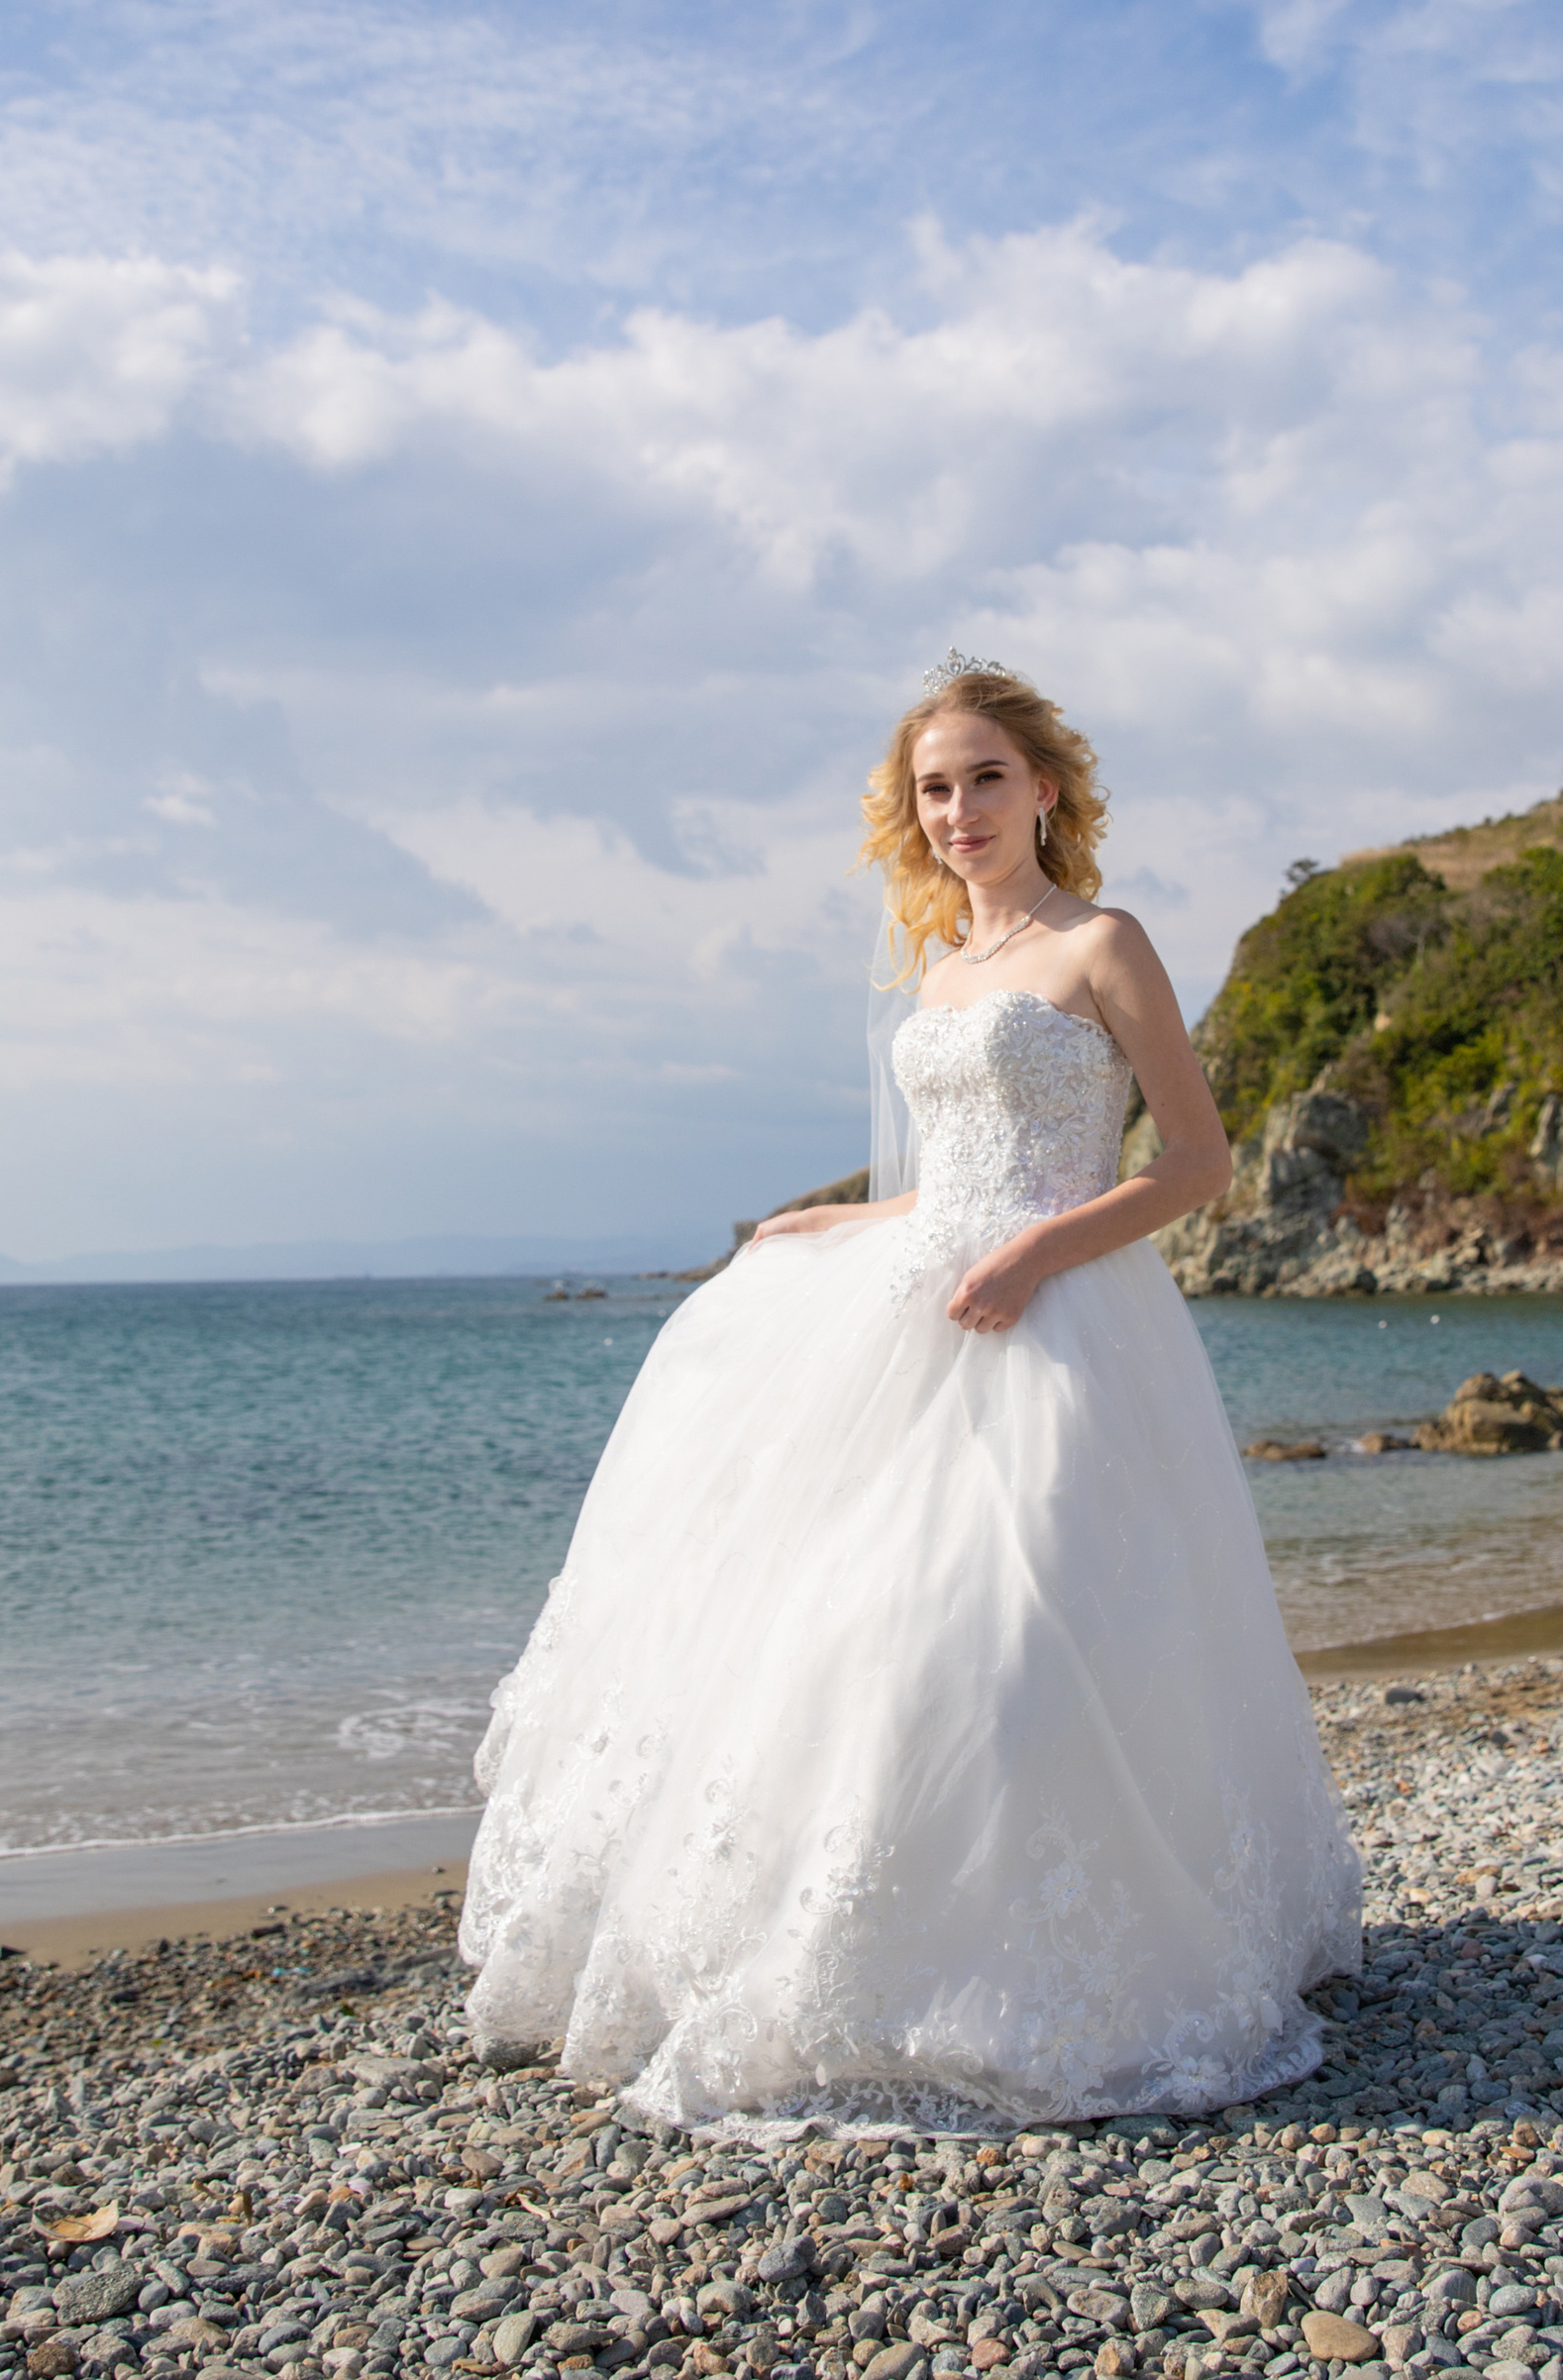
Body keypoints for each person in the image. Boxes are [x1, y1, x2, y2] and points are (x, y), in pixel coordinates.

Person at [459, 655, 1362, 2128]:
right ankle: (885, 1961)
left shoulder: (1103, 944)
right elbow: (953, 1185)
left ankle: (1087, 1968)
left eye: (985, 778)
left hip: (1066, 1328)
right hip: (919, 1305)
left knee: (1029, 1643)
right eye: (933, 789)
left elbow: (1190, 1170)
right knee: (866, 1643)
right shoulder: (941, 965)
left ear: (1047, 789)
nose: (959, 810)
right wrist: (840, 1221)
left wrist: (1036, 1260)